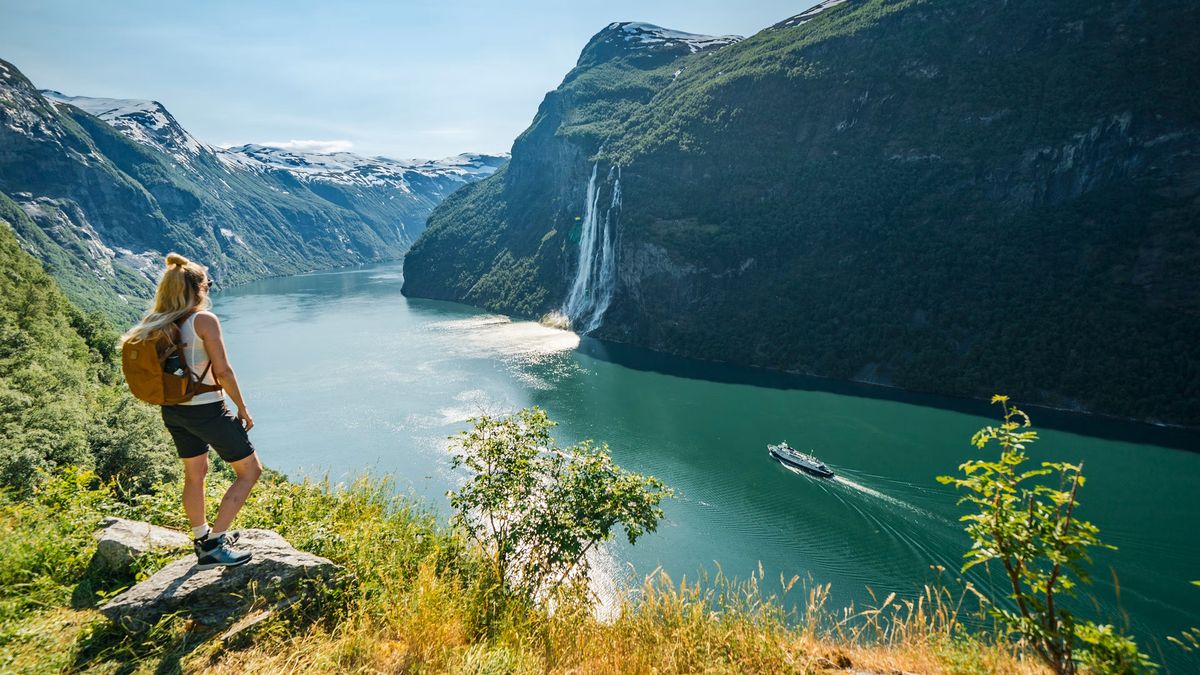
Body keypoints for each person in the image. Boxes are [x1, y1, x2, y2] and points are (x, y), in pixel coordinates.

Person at [121, 253, 263, 569]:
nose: (209, 288)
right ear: (197, 288)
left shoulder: (158, 322)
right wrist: (242, 407)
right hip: (207, 410)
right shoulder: (203, 320)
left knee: (195, 474)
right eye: (207, 283)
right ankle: (215, 543)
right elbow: (223, 371)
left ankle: (202, 537)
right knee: (250, 471)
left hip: (174, 411)